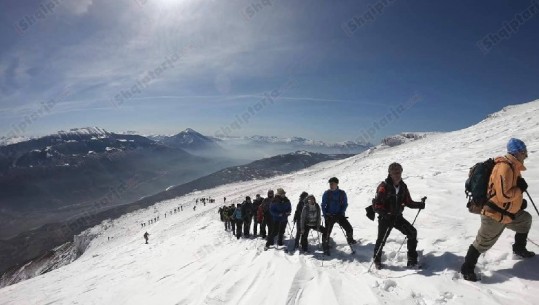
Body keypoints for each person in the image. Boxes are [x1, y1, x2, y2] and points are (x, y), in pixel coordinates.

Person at [461, 138, 534, 281]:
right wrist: (520, 189)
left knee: (525, 220)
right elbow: (504, 195)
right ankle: (467, 269)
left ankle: (519, 249)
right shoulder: (505, 167)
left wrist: (519, 204)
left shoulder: (514, 167)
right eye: (524, 152)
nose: (526, 155)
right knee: (482, 243)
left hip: (508, 213)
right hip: (494, 214)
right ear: (517, 152)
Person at [372, 163, 426, 269]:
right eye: (394, 172)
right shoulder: (383, 187)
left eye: (399, 172)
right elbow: (376, 206)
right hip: (385, 218)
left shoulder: (403, 187)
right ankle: (377, 260)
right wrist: (386, 214)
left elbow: (408, 202)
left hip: (397, 217)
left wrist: (420, 204)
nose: (397, 174)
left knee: (412, 232)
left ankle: (412, 259)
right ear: (390, 173)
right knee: (381, 239)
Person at [322, 177, 356, 248]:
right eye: (330, 184)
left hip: (339, 215)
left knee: (349, 228)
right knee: (327, 232)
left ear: (336, 184)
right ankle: (325, 244)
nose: (331, 185)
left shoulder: (342, 193)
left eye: (332, 184)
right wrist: (325, 215)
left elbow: (345, 204)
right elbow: (323, 205)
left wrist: (341, 212)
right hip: (329, 216)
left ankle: (350, 240)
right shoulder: (327, 193)